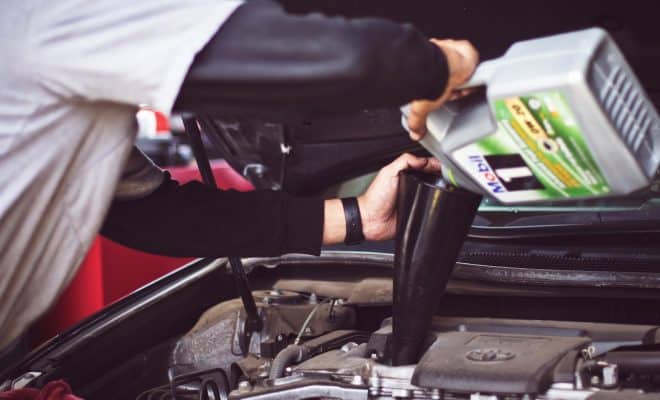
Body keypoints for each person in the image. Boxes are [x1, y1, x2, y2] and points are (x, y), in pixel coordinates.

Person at [0, 0, 477, 353]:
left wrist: (357, 219)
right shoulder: (49, 15)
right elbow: (339, 59)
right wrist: (445, 64)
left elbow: (146, 213)